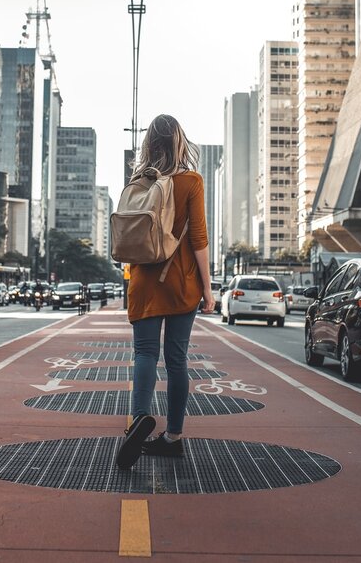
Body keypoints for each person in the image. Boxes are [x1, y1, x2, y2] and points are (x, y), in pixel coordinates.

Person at [116, 114, 215, 470]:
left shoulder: (138, 181)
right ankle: (172, 437)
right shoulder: (192, 181)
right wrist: (208, 289)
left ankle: (139, 419)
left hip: (144, 282)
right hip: (181, 284)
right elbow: (199, 239)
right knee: (176, 360)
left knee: (144, 354)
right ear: (179, 142)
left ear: (148, 144)